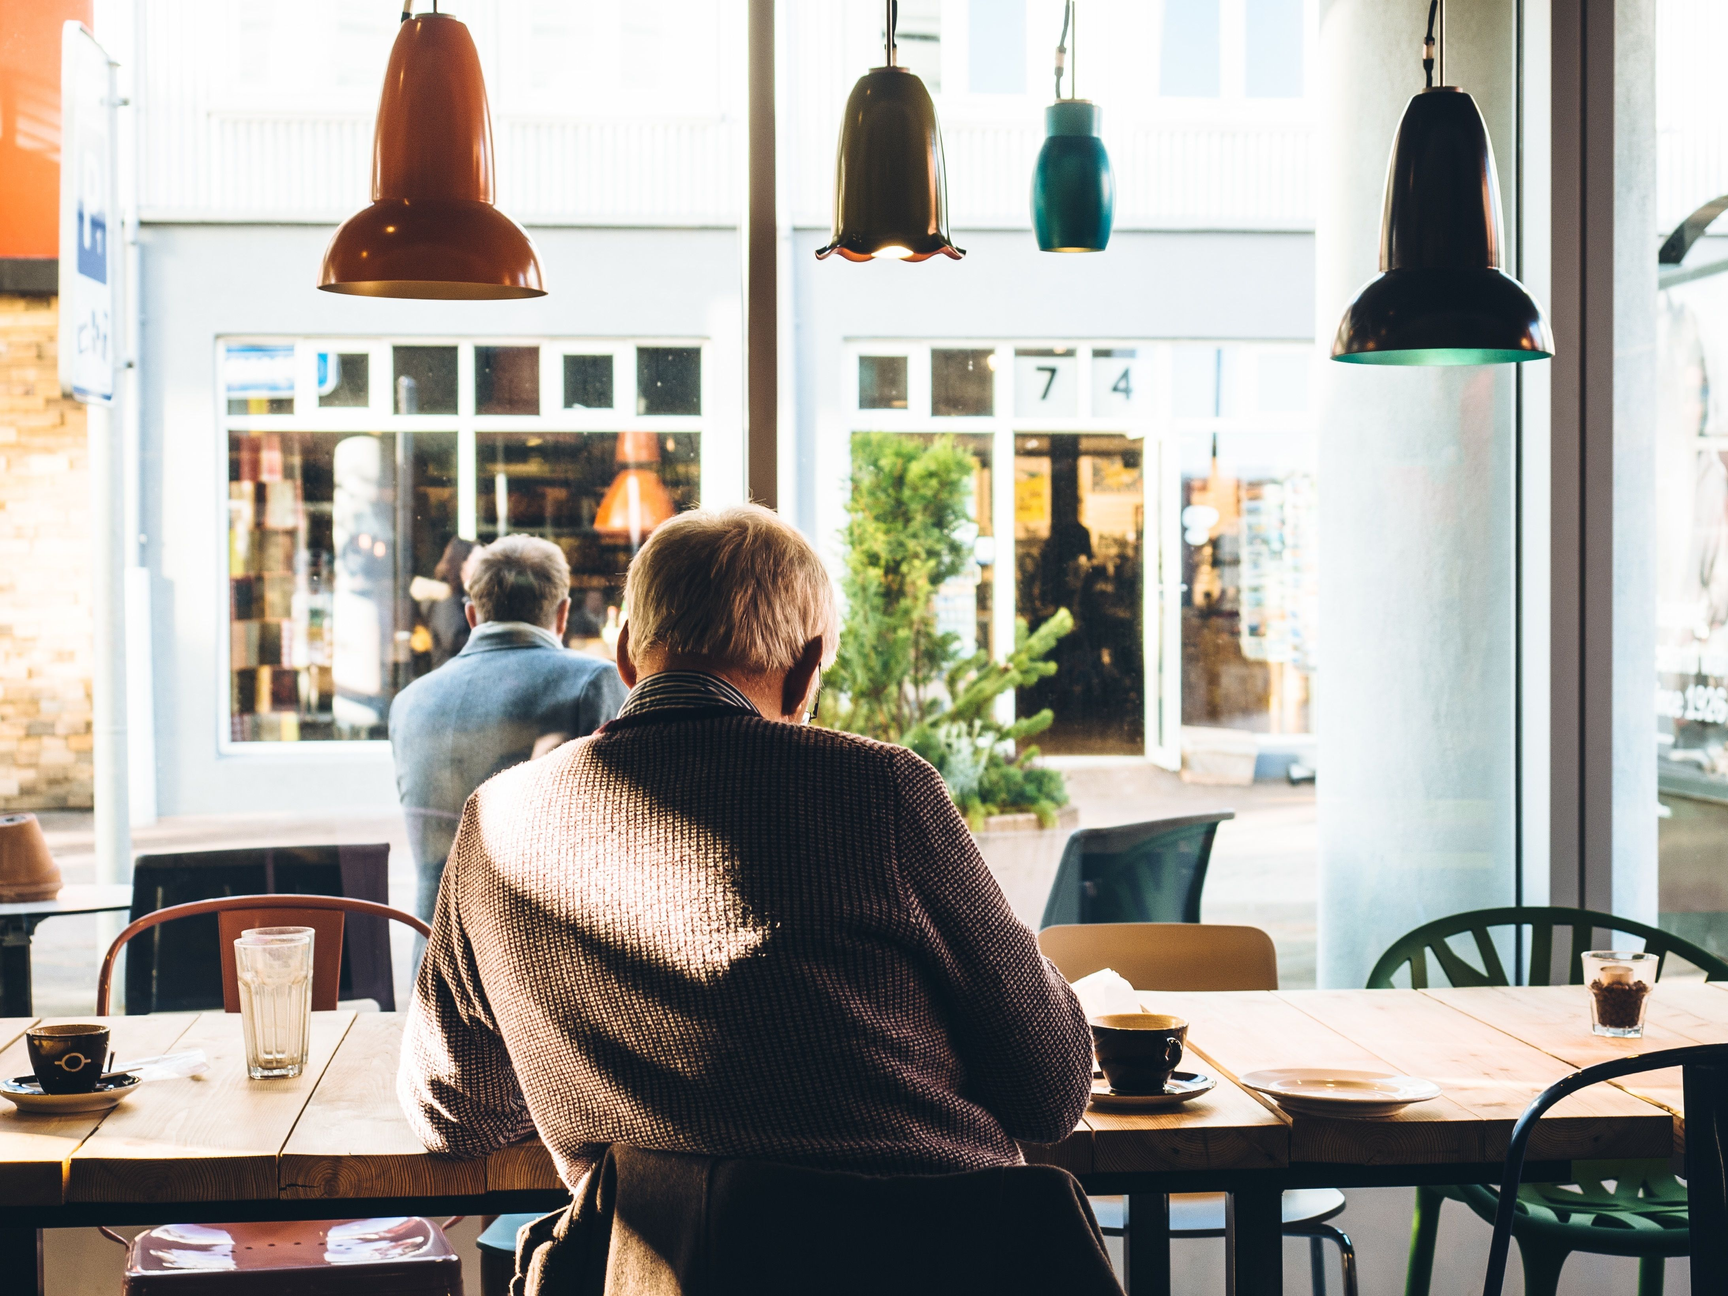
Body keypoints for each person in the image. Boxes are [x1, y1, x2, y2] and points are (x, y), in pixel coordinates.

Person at [398, 504, 1091, 1186]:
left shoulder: (497, 821)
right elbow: (1051, 1090)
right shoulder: (881, 792)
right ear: (806, 669)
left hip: (659, 1272)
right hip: (933, 1260)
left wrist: (594, 1069)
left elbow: (454, 1112)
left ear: (625, 654)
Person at [389, 533, 627, 924]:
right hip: (535, 964)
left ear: (471, 615)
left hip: (431, 962)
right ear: (563, 614)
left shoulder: (409, 702)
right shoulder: (591, 683)